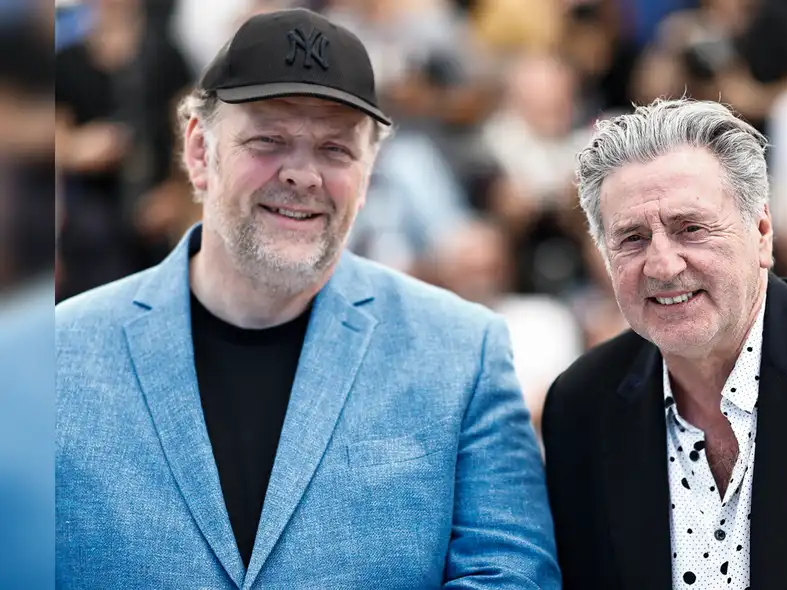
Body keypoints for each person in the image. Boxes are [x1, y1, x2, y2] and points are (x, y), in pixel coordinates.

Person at [55, 8, 559, 589]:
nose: (303, 175)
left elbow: (511, 574)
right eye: (268, 140)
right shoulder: (58, 354)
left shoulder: (463, 350)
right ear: (199, 152)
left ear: (368, 173)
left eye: (336, 150)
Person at [541, 98, 787, 590]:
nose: (663, 265)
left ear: (762, 232)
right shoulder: (581, 406)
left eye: (690, 228)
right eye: (632, 238)